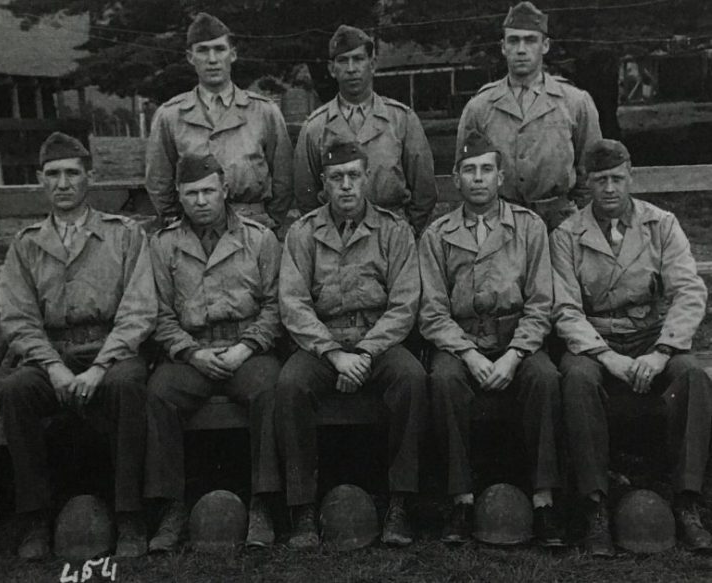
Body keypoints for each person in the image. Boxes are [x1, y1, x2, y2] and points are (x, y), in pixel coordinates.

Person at [0, 132, 156, 559]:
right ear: (40, 181)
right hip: (55, 356)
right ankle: (36, 518)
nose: (63, 183)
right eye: (53, 174)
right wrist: (53, 367)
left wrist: (100, 367)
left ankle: (129, 517)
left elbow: (139, 310)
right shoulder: (27, 243)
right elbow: (19, 320)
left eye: (72, 173)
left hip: (111, 352)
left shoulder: (123, 235)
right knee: (15, 392)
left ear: (90, 178)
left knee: (128, 385)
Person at [551, 138, 712, 556]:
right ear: (586, 183)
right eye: (600, 180)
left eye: (617, 179)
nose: (609, 189)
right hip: (596, 341)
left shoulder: (661, 224)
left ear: (631, 177)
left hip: (652, 337)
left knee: (692, 376)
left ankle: (687, 500)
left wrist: (662, 351)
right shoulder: (567, 235)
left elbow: (689, 292)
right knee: (576, 378)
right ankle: (594, 506)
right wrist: (607, 356)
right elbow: (566, 309)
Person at [276, 141, 427, 549]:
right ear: (323, 185)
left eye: (354, 176)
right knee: (290, 385)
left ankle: (401, 503)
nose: (346, 186)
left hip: (377, 342)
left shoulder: (394, 230)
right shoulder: (304, 232)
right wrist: (333, 353)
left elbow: (405, 303)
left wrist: (364, 353)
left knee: (411, 378)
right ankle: (303, 508)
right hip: (323, 346)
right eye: (336, 178)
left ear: (367, 179)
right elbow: (293, 304)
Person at [419, 130, 563, 546]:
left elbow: (541, 303)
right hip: (461, 342)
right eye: (469, 170)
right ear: (456, 179)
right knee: (443, 381)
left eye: (486, 169)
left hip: (516, 337)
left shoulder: (528, 227)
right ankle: (460, 500)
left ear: (501, 177)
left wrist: (515, 355)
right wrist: (469, 355)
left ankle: (544, 501)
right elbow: (432, 310)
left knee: (545, 379)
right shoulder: (437, 234)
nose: (478, 178)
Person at [145, 154, 283, 551]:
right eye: (192, 193)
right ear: (179, 197)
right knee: (159, 394)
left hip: (248, 347)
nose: (201, 200)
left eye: (209, 190)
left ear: (225, 190)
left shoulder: (259, 238)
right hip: (193, 352)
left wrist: (246, 347)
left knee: (269, 390)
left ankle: (263, 503)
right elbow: (160, 314)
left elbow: (276, 306)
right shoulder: (164, 244)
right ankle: (171, 508)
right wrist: (190, 353)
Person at [455, 1, 601, 231]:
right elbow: (464, 169)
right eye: (514, 40)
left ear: (545, 45)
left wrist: (579, 221)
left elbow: (592, 170)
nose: (521, 49)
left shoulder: (575, 102)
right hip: (501, 224)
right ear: (503, 47)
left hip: (562, 224)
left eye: (530, 40)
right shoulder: (480, 107)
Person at [146, 12, 293, 231]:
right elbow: (158, 179)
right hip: (193, 226)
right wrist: (174, 219)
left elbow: (284, 176)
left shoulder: (264, 111)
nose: (212, 59)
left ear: (232, 55)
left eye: (220, 49)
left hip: (252, 223)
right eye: (203, 51)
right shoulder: (170, 115)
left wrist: (272, 220)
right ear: (190, 57)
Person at [294, 25, 437, 237]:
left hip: (391, 233)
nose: (351, 69)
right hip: (337, 236)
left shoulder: (401, 119)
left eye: (358, 59)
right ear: (332, 69)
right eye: (343, 61)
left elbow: (424, 190)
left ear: (373, 64)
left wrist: (406, 232)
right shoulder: (315, 127)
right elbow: (306, 195)